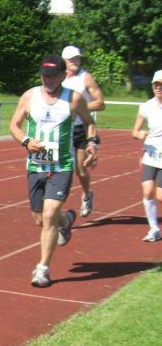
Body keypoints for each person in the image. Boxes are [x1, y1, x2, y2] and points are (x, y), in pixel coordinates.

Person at [9, 55, 98, 288]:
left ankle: (42, 269)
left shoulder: (74, 98)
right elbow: (14, 125)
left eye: (52, 76)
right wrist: (26, 141)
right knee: (40, 219)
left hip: (62, 165)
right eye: (44, 75)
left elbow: (89, 122)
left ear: (62, 76)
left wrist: (91, 143)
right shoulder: (29, 96)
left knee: (49, 216)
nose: (47, 79)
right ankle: (66, 220)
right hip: (35, 165)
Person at [61, 45, 105, 217]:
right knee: (61, 169)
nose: (75, 61)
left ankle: (87, 195)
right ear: (64, 60)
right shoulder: (58, 77)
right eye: (72, 59)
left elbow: (100, 103)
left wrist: (80, 108)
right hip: (63, 128)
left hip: (81, 128)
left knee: (80, 170)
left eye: (78, 58)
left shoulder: (85, 77)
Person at [130, 70, 162, 242]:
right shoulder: (146, 106)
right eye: (156, 84)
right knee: (147, 191)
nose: (159, 88)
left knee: (160, 196)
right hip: (150, 154)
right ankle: (154, 229)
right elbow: (134, 131)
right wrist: (139, 134)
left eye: (161, 85)